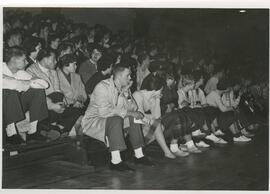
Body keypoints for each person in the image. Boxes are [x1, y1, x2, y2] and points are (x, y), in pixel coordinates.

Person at [82, 62, 154, 172]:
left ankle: (139, 156)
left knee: (134, 117)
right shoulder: (102, 86)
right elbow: (104, 112)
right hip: (95, 121)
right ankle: (116, 161)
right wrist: (129, 112)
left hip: (112, 119)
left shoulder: (124, 87)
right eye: (128, 75)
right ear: (119, 76)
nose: (130, 77)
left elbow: (133, 108)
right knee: (117, 119)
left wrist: (126, 94)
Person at [27, 49, 82, 137]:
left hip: (56, 104)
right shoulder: (30, 71)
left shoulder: (53, 71)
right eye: (53, 59)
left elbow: (57, 90)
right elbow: (37, 95)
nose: (56, 61)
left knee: (77, 111)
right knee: (56, 95)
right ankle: (57, 129)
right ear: (45, 59)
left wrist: (64, 104)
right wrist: (53, 105)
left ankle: (58, 129)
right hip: (43, 106)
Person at [3, 47, 49, 144]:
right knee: (10, 92)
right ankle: (11, 133)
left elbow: (44, 84)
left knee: (38, 91)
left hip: (15, 106)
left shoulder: (21, 73)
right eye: (24, 60)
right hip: (3, 107)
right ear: (13, 60)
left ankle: (33, 131)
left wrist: (27, 81)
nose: (27, 62)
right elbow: (9, 85)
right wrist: (26, 83)